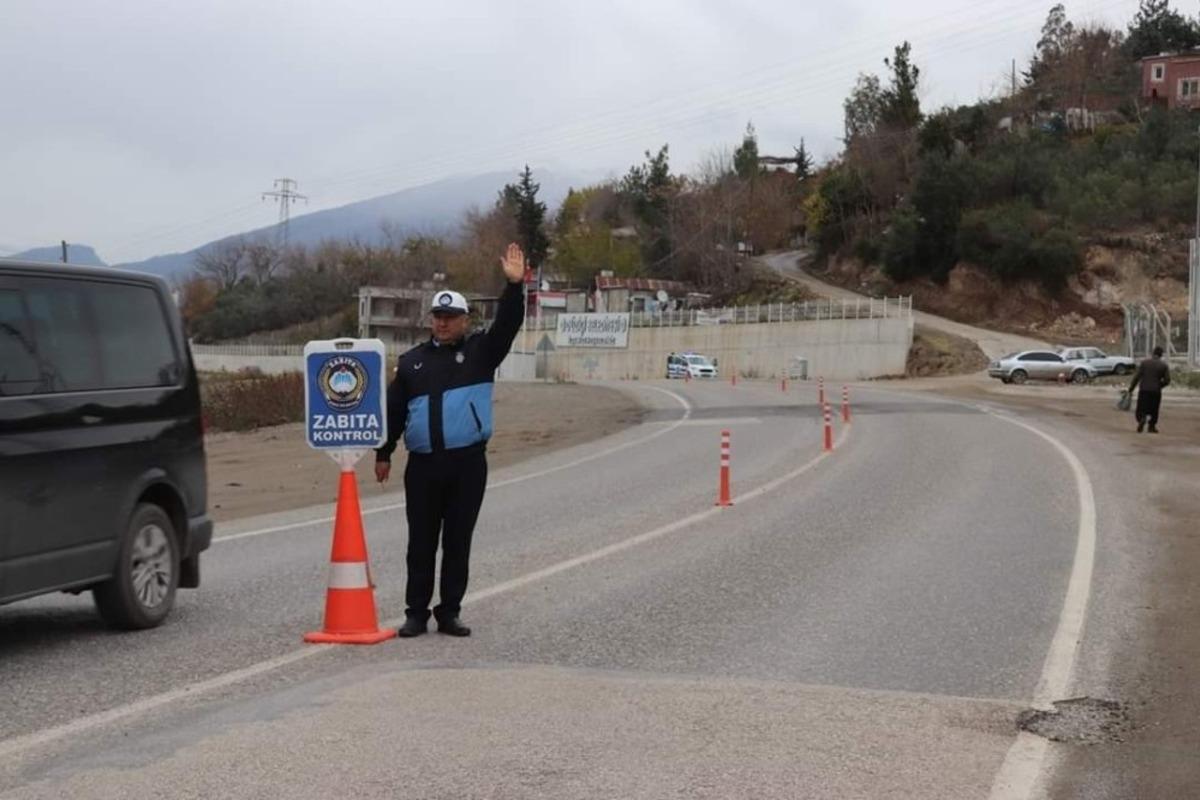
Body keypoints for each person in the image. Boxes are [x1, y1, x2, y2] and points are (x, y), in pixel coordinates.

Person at [375, 243, 527, 637]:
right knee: (420, 543)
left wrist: (514, 286)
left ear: (464, 320)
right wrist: (384, 452)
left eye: (451, 317)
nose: (443, 323)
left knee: (458, 541)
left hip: (467, 465)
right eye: (438, 317)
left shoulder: (482, 352)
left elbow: (509, 324)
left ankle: (450, 611)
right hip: (424, 467)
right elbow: (394, 411)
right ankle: (415, 613)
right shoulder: (412, 363)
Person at [1128, 345, 1171, 434]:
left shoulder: (1144, 363)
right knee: (1154, 409)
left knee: (1142, 407)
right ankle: (1151, 426)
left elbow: (1137, 377)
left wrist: (1131, 389)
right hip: (1156, 391)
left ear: (1153, 353)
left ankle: (1141, 418)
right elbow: (1167, 380)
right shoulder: (1163, 365)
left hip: (1144, 390)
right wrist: (1160, 385)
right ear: (1161, 355)